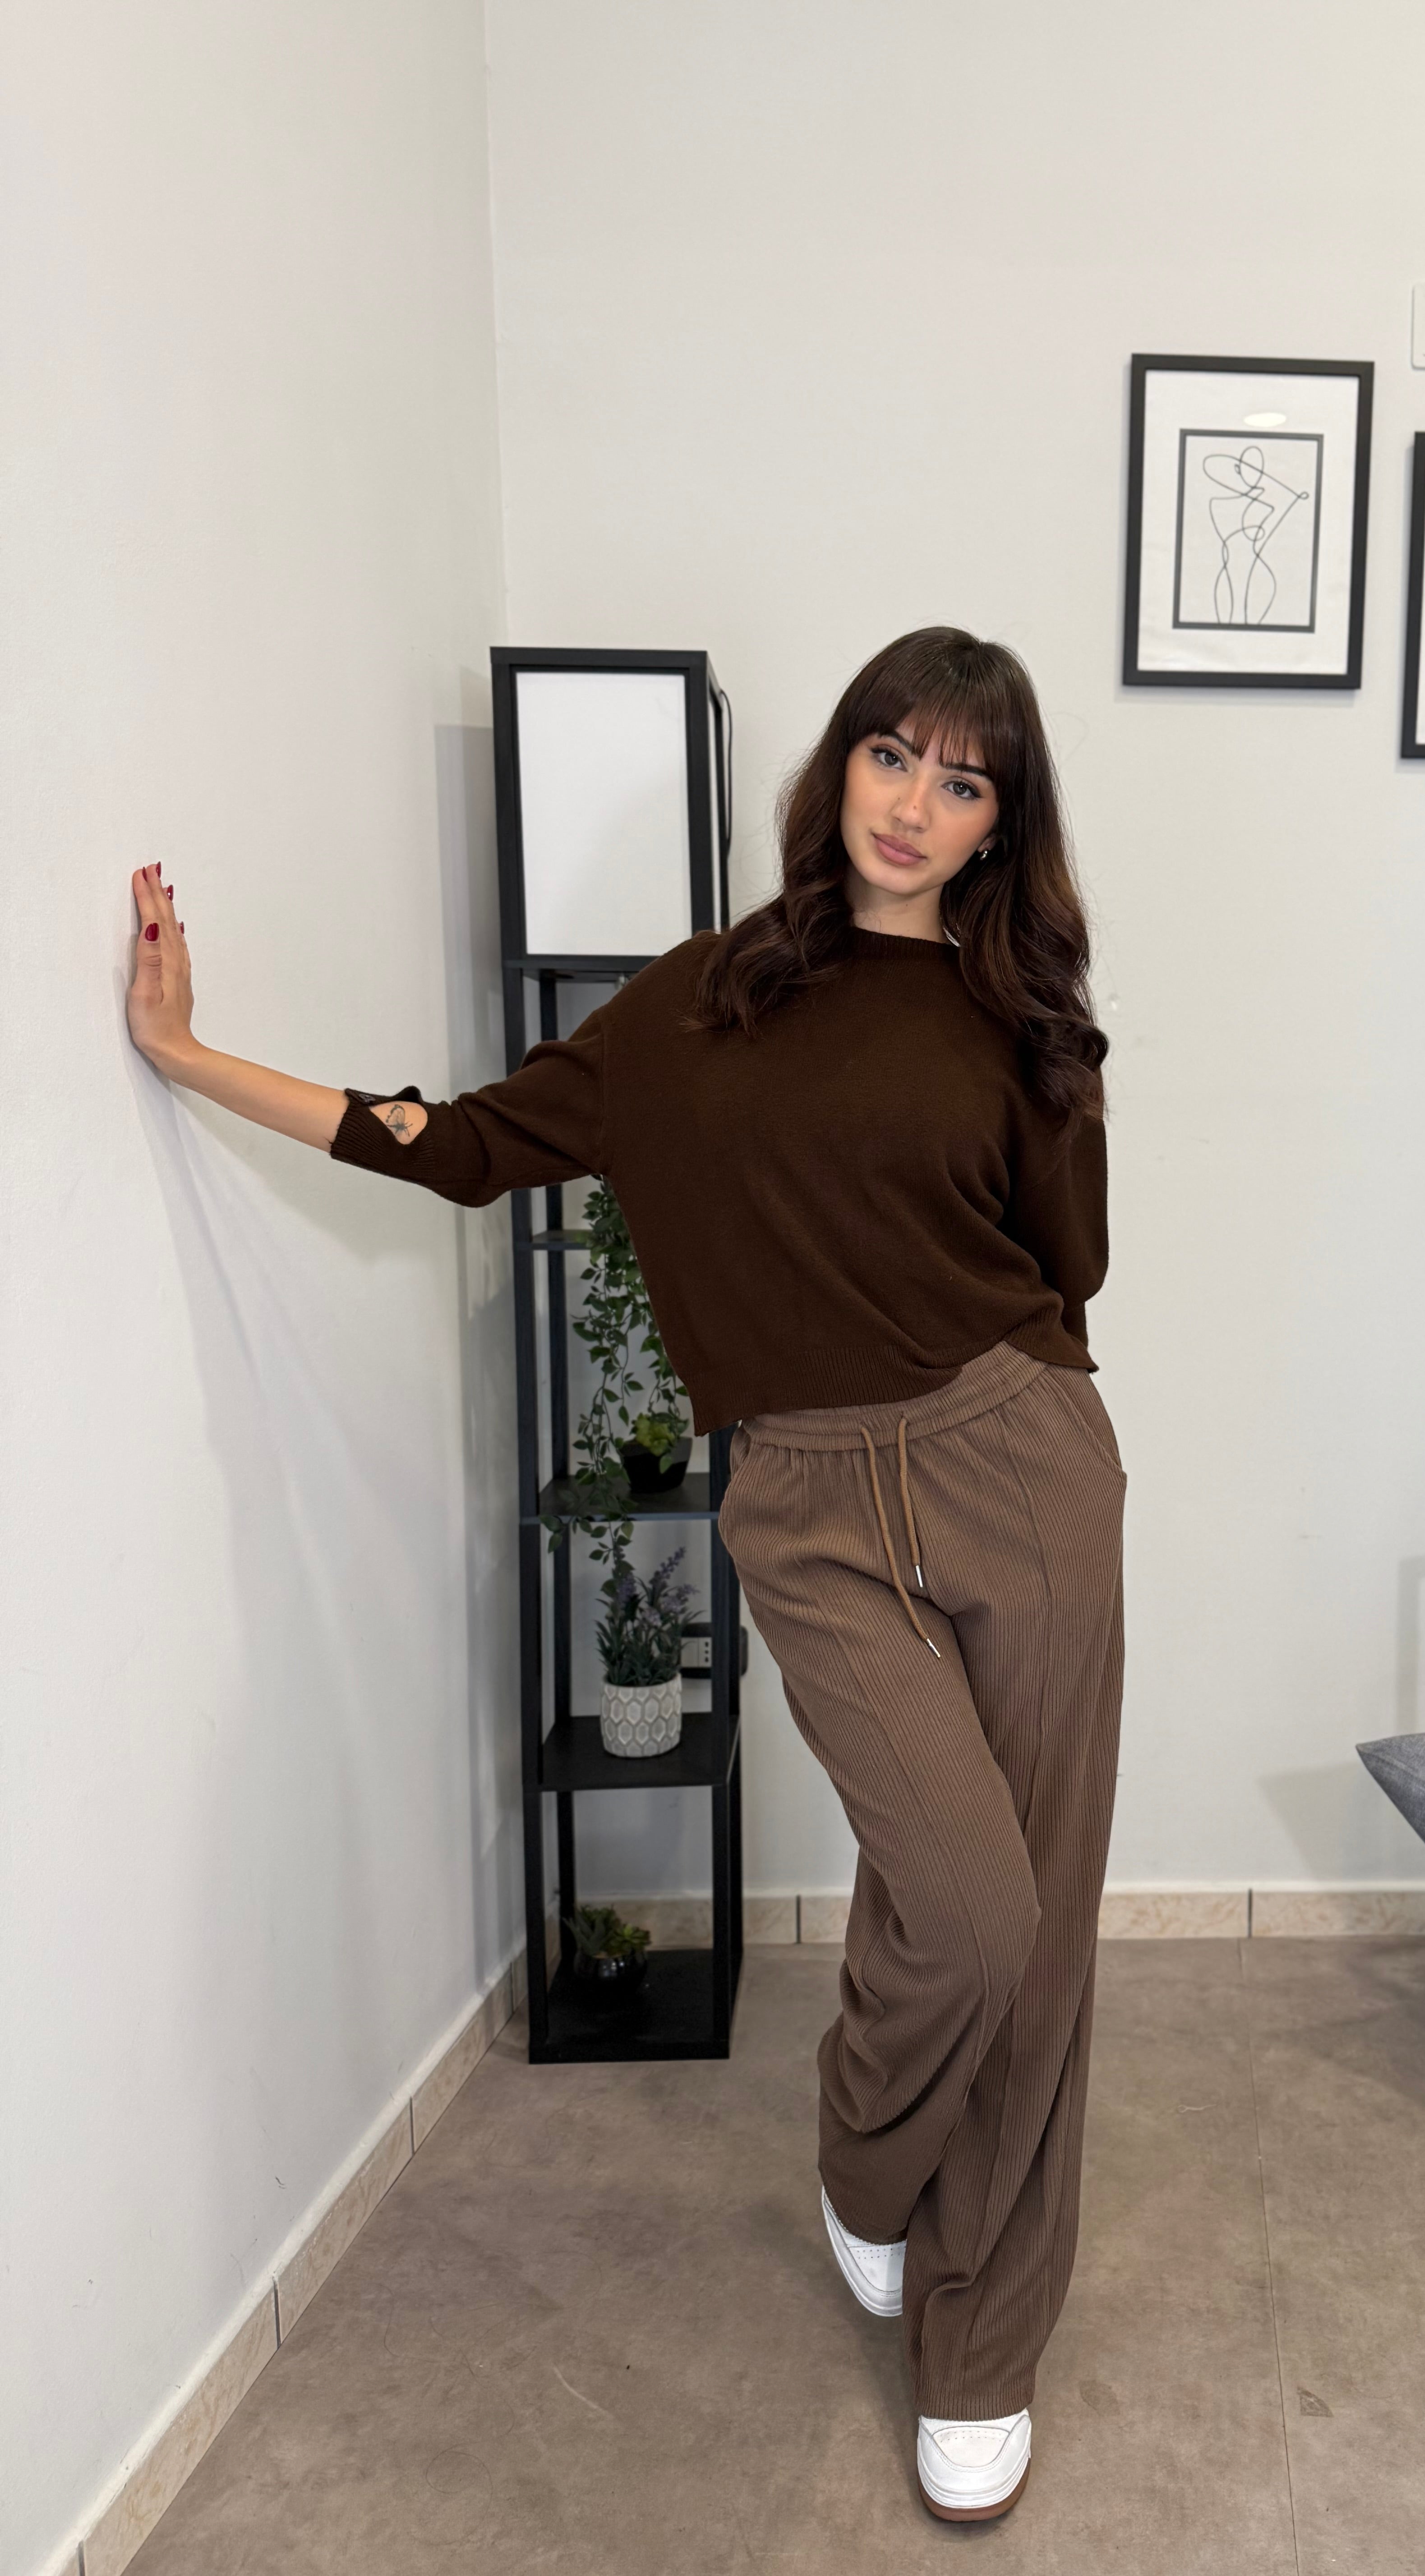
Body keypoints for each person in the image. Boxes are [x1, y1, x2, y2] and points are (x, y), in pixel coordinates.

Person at [125, 625, 1126, 2525]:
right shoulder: (700, 1001)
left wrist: (1059, 1074)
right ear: (838, 768)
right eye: (892, 757)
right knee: (968, 1907)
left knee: (1041, 1933)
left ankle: (982, 2345)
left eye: (963, 781)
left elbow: (1069, 1270)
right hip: (809, 1503)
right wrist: (187, 1054)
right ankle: (865, 2158)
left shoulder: (1019, 1024)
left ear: (999, 826)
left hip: (1022, 1466)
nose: (914, 806)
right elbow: (464, 1144)